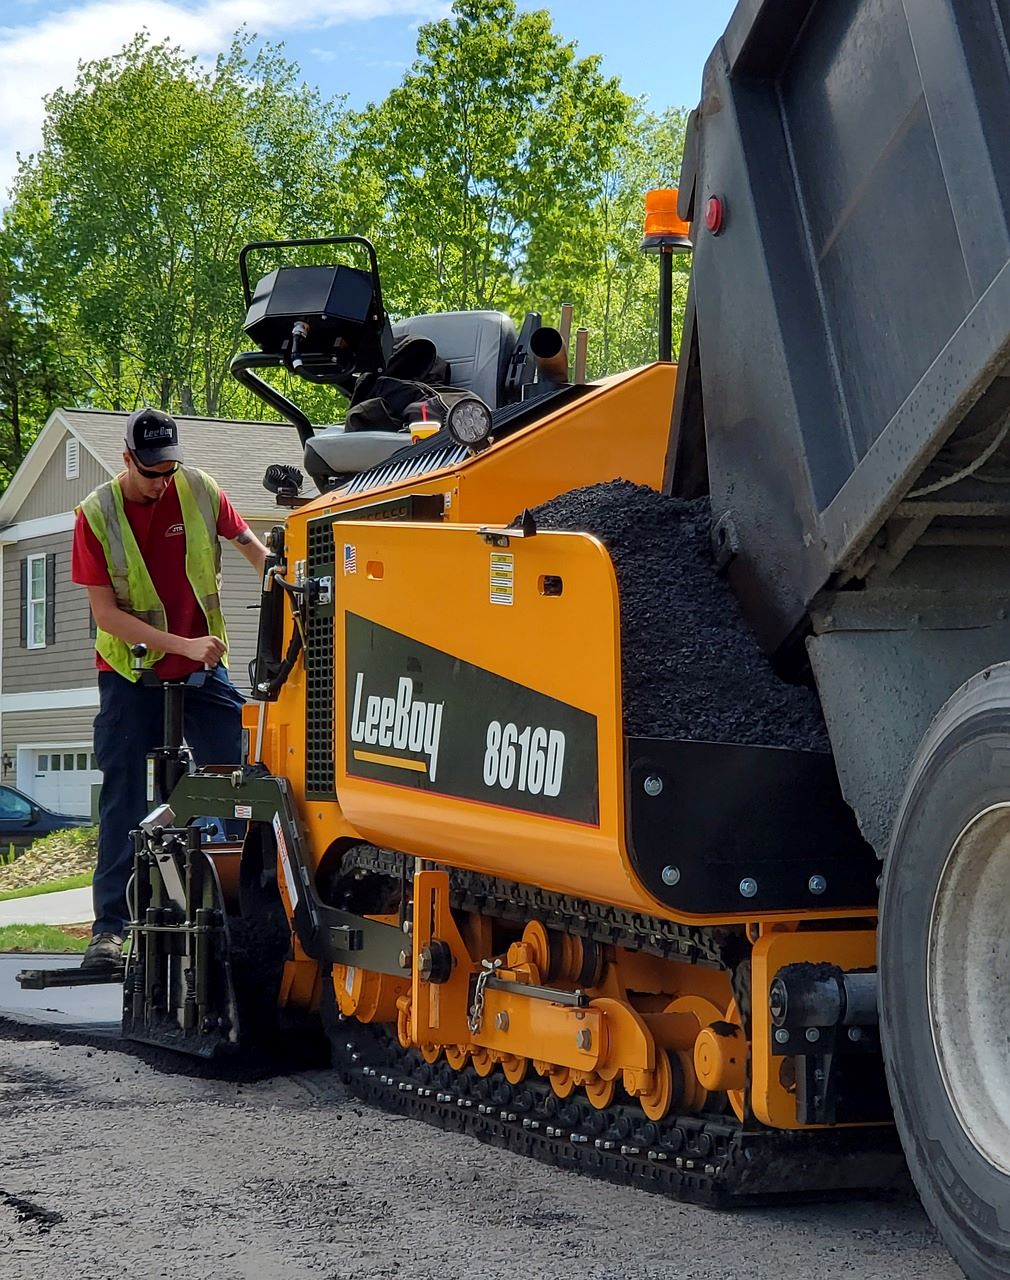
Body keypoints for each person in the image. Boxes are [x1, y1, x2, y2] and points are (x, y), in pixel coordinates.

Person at [71, 408, 268, 967]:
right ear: (128, 459)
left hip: (201, 670)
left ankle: (245, 919)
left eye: (169, 470)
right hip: (130, 675)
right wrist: (181, 645)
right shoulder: (96, 515)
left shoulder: (200, 488)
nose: (162, 481)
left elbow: (252, 546)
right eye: (151, 471)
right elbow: (106, 615)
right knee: (123, 797)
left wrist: (280, 578)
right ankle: (109, 931)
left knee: (239, 777)